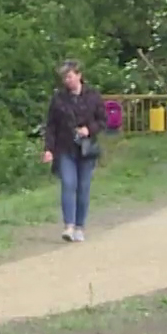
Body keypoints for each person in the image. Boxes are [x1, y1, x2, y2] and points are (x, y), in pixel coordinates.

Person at [42, 60, 104, 243]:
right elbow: (51, 125)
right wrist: (48, 149)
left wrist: (88, 130)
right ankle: (68, 225)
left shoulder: (93, 96)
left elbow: (103, 120)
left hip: (86, 149)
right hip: (65, 147)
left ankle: (79, 226)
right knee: (68, 184)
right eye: (64, 78)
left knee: (83, 188)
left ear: (79, 75)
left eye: (69, 76)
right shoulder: (59, 99)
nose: (67, 81)